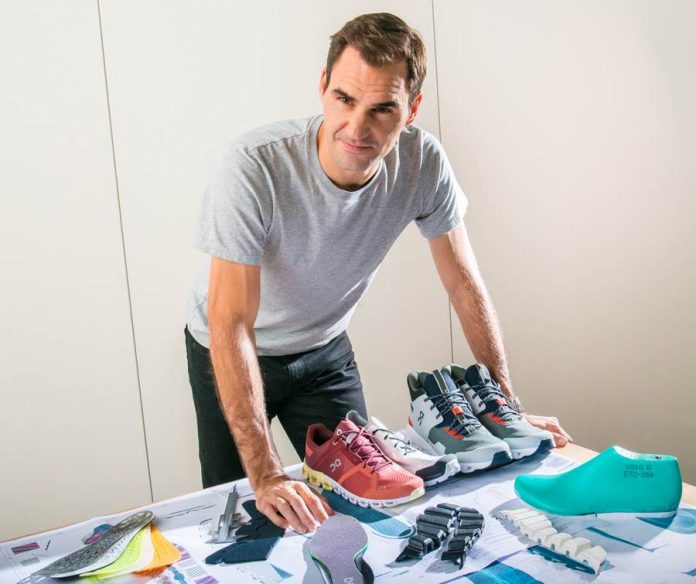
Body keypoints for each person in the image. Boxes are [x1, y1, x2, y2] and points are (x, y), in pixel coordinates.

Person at [185, 12, 571, 535]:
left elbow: (463, 286)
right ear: (323, 87)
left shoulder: (422, 163)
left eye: (382, 108)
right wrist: (267, 474)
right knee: (247, 517)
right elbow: (231, 322)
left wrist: (506, 407)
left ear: (411, 108)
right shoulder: (253, 167)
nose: (357, 127)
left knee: (371, 505)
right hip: (232, 349)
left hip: (324, 353)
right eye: (344, 99)